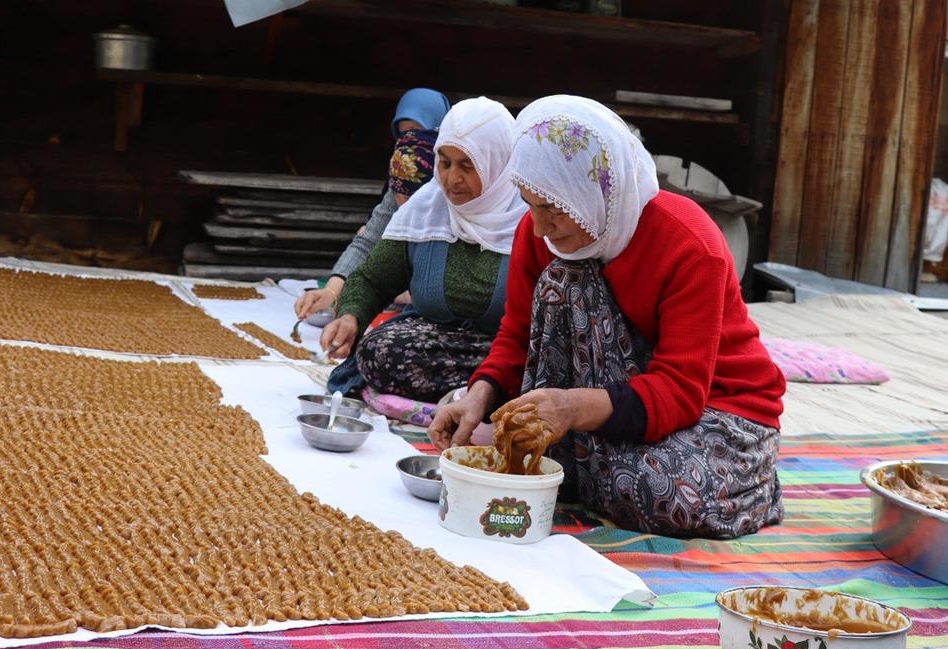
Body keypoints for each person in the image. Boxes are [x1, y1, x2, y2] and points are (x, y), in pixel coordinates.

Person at [428, 96, 786, 539]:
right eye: (530, 205)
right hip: (613, 414)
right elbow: (517, 336)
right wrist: (476, 398)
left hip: (718, 409)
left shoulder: (691, 245)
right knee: (565, 280)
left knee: (657, 491)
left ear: (594, 192)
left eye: (554, 210)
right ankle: (586, 461)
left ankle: (754, 486)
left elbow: (680, 390)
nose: (539, 227)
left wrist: (570, 408)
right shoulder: (540, 233)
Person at [320, 96, 527, 403]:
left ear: (498, 163)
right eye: (444, 163)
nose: (451, 179)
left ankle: (486, 393)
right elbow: (372, 280)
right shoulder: (427, 209)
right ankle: (481, 398)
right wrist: (351, 317)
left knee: (538, 371)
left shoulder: (529, 221)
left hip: (508, 352)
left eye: (467, 166)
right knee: (379, 351)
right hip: (438, 350)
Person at [295, 88, 450, 319]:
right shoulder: (403, 178)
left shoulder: (452, 190)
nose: (408, 141)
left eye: (417, 131)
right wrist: (332, 290)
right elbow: (368, 241)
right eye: (402, 134)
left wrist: (405, 292)